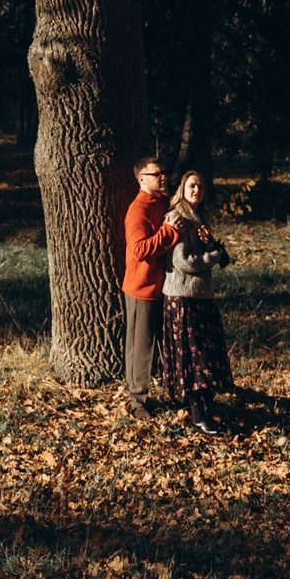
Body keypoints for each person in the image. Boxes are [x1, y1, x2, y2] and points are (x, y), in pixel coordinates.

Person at [160, 170, 237, 434]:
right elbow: (184, 262)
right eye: (192, 186)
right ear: (182, 188)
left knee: (206, 355)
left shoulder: (201, 217)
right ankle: (197, 415)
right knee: (193, 359)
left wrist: (213, 248)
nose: (196, 191)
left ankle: (206, 408)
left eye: (201, 187)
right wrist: (213, 255)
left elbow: (215, 254)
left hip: (202, 295)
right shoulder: (176, 218)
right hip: (182, 296)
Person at [121, 157, 174, 418]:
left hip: (168, 286)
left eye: (164, 172)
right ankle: (136, 400)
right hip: (141, 288)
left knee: (167, 344)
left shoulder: (164, 202)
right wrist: (169, 230)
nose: (163, 176)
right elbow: (141, 250)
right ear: (142, 179)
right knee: (140, 347)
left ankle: (173, 392)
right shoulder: (137, 210)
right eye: (157, 173)